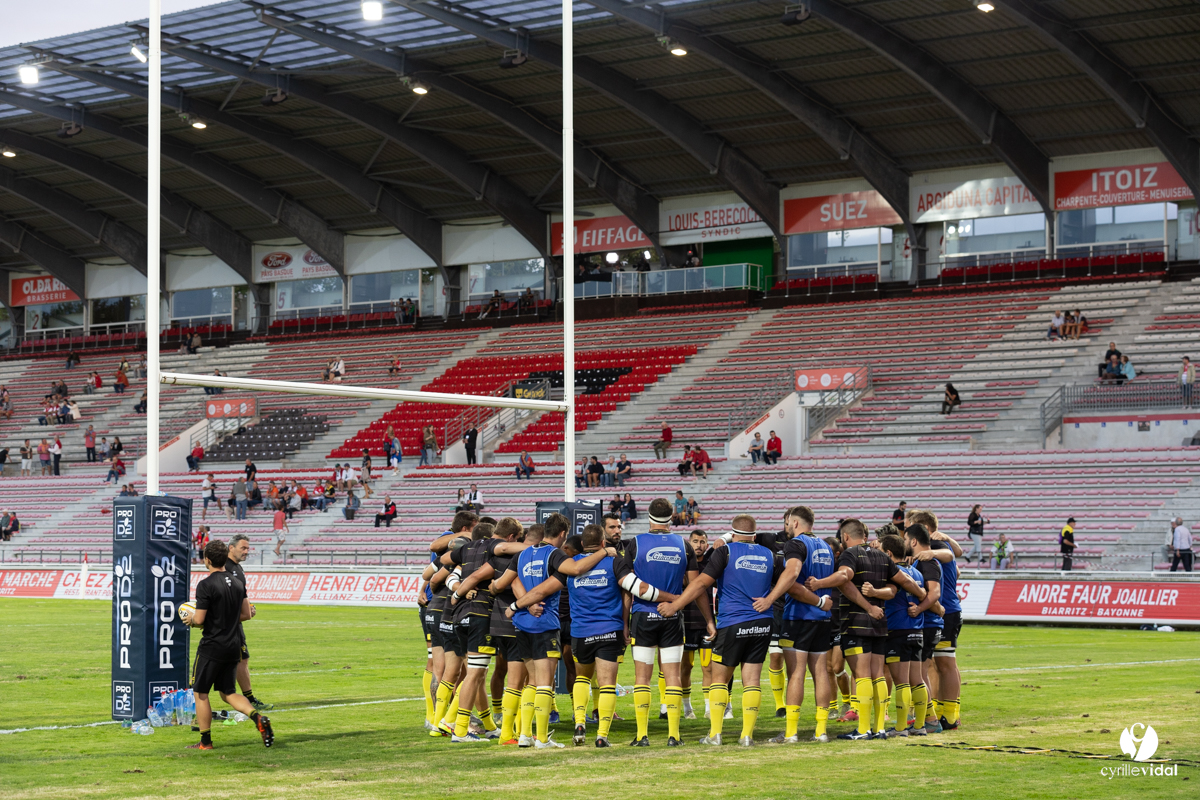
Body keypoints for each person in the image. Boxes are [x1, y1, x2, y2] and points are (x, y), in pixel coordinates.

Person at [659, 513, 777, 747]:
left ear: (733, 534)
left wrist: (676, 605)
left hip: (733, 622)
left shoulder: (727, 552)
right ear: (754, 534)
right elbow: (788, 581)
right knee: (752, 681)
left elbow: (702, 583)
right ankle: (747, 736)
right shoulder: (769, 554)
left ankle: (715, 734)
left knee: (719, 679)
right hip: (763, 622)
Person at [501, 514, 616, 748]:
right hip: (543, 623)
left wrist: (521, 603)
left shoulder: (523, 554)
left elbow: (507, 581)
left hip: (522, 624)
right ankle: (541, 738)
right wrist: (604, 552)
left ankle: (524, 736)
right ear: (563, 533)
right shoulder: (554, 554)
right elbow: (575, 569)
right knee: (545, 683)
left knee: (531, 682)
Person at [806, 518, 927, 740]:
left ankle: (863, 729)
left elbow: (844, 578)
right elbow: (903, 581)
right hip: (881, 625)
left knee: (861, 675)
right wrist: (922, 597)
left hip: (856, 623)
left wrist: (819, 584)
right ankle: (879, 727)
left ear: (845, 537)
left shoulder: (850, 555)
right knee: (878, 676)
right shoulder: (882, 556)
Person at [620, 497, 710, 747]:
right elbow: (697, 587)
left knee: (642, 677)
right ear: (672, 517)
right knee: (672, 676)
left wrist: (625, 623)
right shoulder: (684, 545)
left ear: (649, 516)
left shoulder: (635, 544)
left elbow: (628, 589)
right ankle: (674, 735)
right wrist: (709, 621)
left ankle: (642, 735)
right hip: (672, 617)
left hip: (642, 615)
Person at [184, 539, 274, 750]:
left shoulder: (205, 585)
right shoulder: (238, 583)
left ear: (206, 559)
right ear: (225, 557)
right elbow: (246, 614)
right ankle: (257, 717)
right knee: (228, 693)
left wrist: (191, 620)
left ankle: (205, 742)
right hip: (234, 645)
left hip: (212, 645)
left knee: (201, 693)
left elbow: (198, 619)